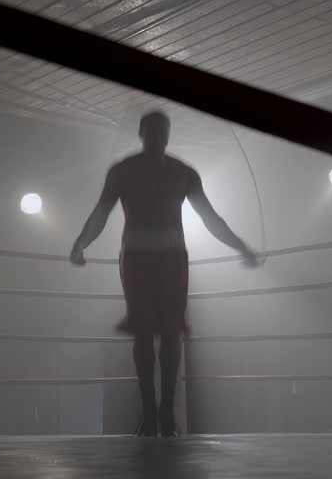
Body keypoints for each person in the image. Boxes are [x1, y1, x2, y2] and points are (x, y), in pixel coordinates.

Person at [70, 111, 259, 437]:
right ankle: (151, 412)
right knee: (144, 333)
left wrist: (240, 244)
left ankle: (166, 412)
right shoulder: (125, 170)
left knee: (171, 333)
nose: (158, 135)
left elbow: (209, 217)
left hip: (170, 257)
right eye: (153, 130)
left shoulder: (182, 172)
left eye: (163, 130)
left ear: (168, 133)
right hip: (140, 257)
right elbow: (101, 212)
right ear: (142, 132)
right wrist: (80, 243)